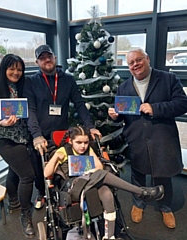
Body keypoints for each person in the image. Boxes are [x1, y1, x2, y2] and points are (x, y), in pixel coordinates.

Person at [108, 48, 187, 229]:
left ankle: (165, 207)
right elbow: (123, 115)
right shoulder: (124, 87)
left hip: (162, 138)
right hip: (136, 138)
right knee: (138, 174)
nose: (135, 64)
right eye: (131, 63)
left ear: (147, 59)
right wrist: (116, 116)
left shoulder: (168, 79)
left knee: (163, 175)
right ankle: (139, 203)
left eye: (138, 60)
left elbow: (183, 103)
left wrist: (155, 108)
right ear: (128, 67)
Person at [44, 125, 164, 240]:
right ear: (71, 141)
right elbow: (46, 173)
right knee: (104, 174)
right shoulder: (64, 151)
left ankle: (109, 236)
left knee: (106, 193)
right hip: (73, 187)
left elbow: (99, 167)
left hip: (91, 182)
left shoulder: (89, 150)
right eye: (79, 143)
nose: (83, 146)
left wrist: (90, 171)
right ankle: (140, 191)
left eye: (86, 143)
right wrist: (55, 157)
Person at [23, 44, 101, 209]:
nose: (47, 60)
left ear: (55, 58)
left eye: (49, 56)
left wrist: (90, 126)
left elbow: (79, 104)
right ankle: (41, 193)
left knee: (62, 162)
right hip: (41, 134)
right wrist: (36, 135)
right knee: (39, 166)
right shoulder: (31, 82)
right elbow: (30, 110)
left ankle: (65, 191)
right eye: (42, 58)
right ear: (37, 62)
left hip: (61, 133)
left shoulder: (67, 79)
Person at [0, 54, 35, 238]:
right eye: (12, 68)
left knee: (15, 171)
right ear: (4, 69)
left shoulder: (24, 87)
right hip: (5, 140)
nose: (16, 72)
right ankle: (25, 215)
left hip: (23, 137)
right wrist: (0, 123)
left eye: (19, 69)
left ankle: (13, 202)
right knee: (28, 176)